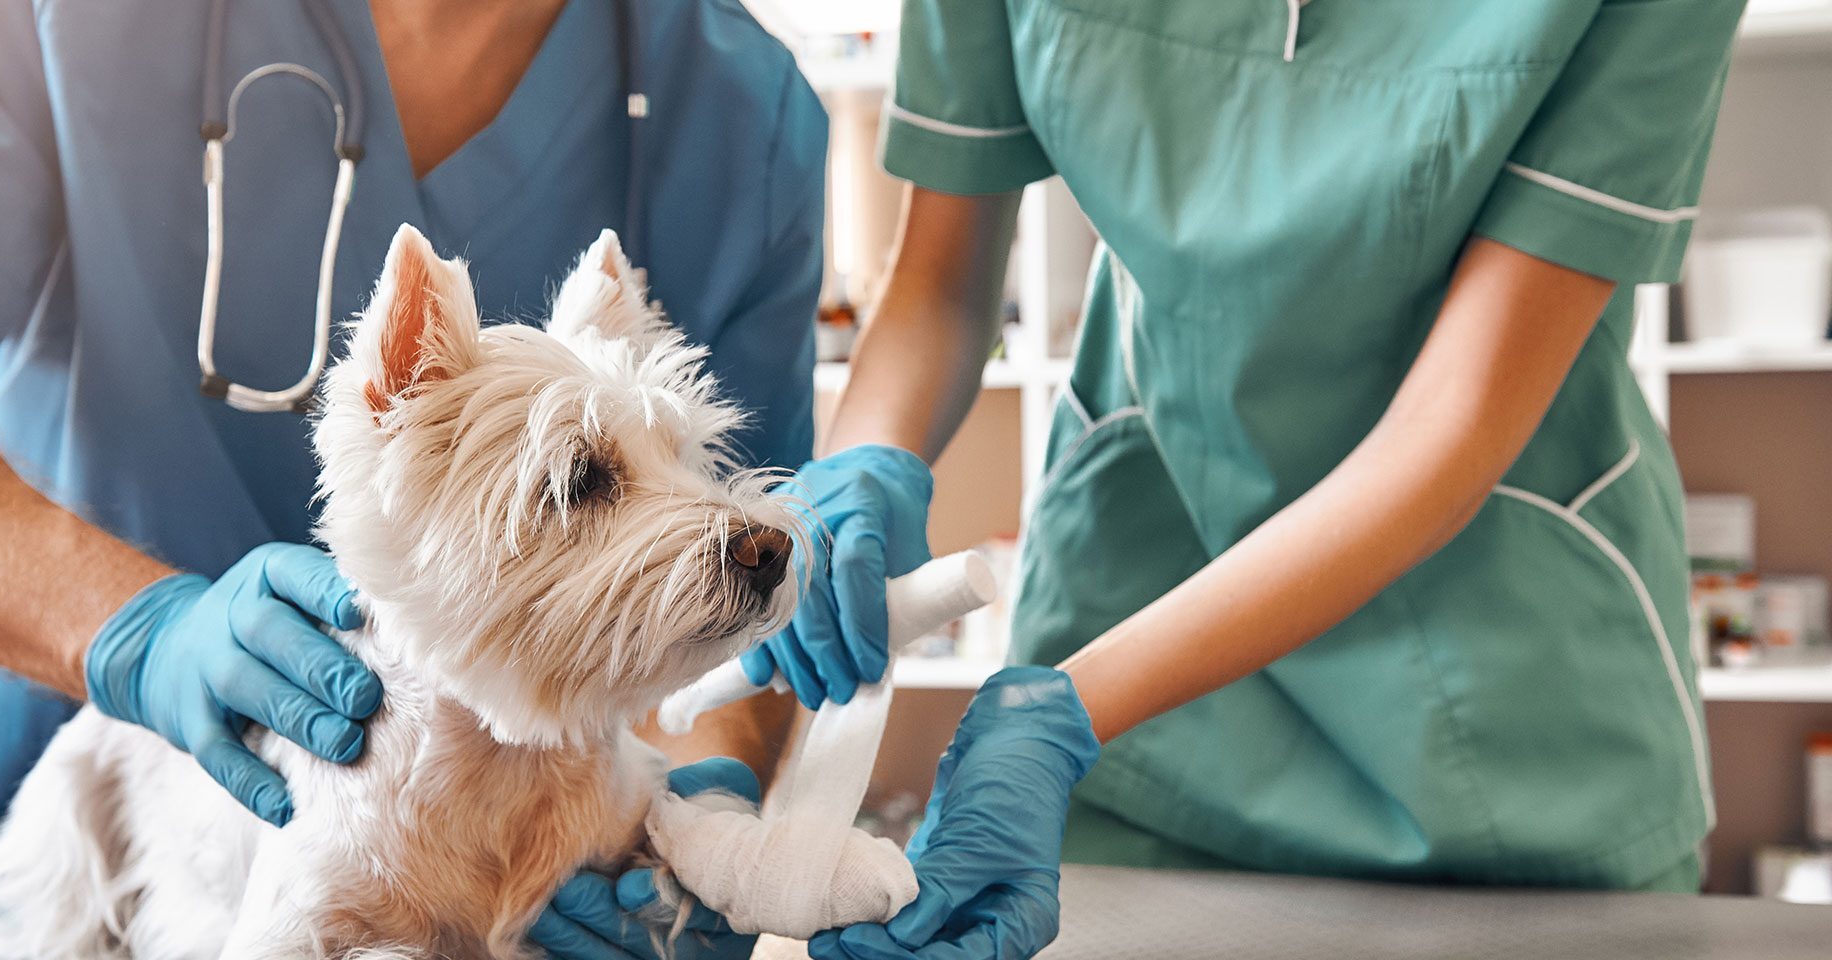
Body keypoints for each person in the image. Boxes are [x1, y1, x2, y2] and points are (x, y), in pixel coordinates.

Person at [736, 1, 1750, 956]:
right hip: (1135, 658)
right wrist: (860, 465)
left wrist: (1064, 712)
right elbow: (941, 284)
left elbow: (1454, 422)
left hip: (1509, 714)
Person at [0, 0, 819, 956]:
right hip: (18, 792)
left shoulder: (734, 101)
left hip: (548, 833)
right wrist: (135, 634)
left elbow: (739, 605)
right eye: (580, 480)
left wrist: (706, 827)